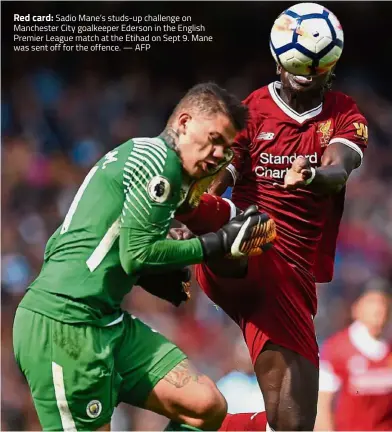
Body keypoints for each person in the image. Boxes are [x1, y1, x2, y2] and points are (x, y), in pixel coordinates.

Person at [12, 82, 276, 432]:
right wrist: (216, 243)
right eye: (213, 138)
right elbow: (137, 255)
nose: (218, 154)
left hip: (106, 320)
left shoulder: (150, 162)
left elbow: (119, 250)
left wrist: (168, 260)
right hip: (64, 324)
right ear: (183, 123)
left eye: (226, 147)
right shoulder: (158, 161)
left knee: (205, 406)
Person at [176, 28, 370, 432]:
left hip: (290, 278)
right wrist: (188, 220)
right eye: (296, 69)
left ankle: (209, 429)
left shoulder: (344, 114)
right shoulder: (252, 110)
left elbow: (338, 171)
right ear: (278, 62)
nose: (304, 79)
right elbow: (217, 178)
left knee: (292, 424)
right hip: (242, 249)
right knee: (240, 222)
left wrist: (312, 174)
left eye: (313, 72)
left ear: (329, 68)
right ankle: (223, 240)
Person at [315, 279, 392, 431]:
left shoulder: (389, 349)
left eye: (384, 303)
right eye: (372, 302)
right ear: (356, 308)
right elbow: (322, 406)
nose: (379, 309)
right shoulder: (336, 349)